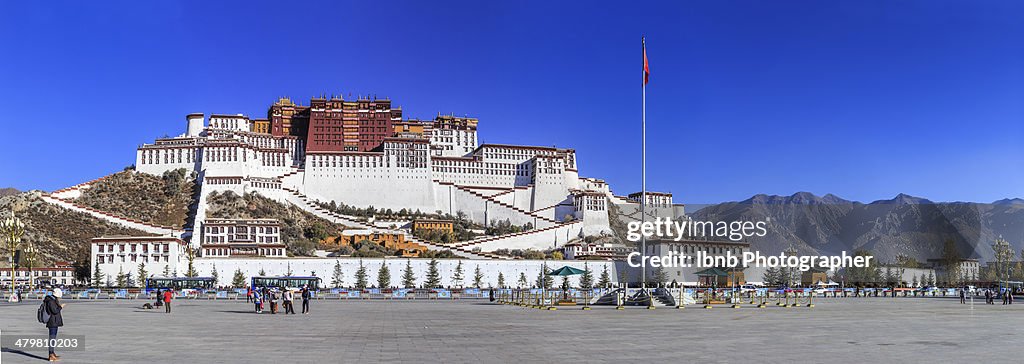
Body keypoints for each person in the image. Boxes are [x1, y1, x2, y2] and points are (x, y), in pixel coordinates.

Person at [44, 288, 65, 362]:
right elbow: (54, 310)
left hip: (54, 321)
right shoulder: (51, 301)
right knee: (52, 338)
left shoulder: (52, 300)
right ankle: (51, 355)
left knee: (53, 338)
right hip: (52, 322)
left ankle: (52, 353)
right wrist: (60, 307)